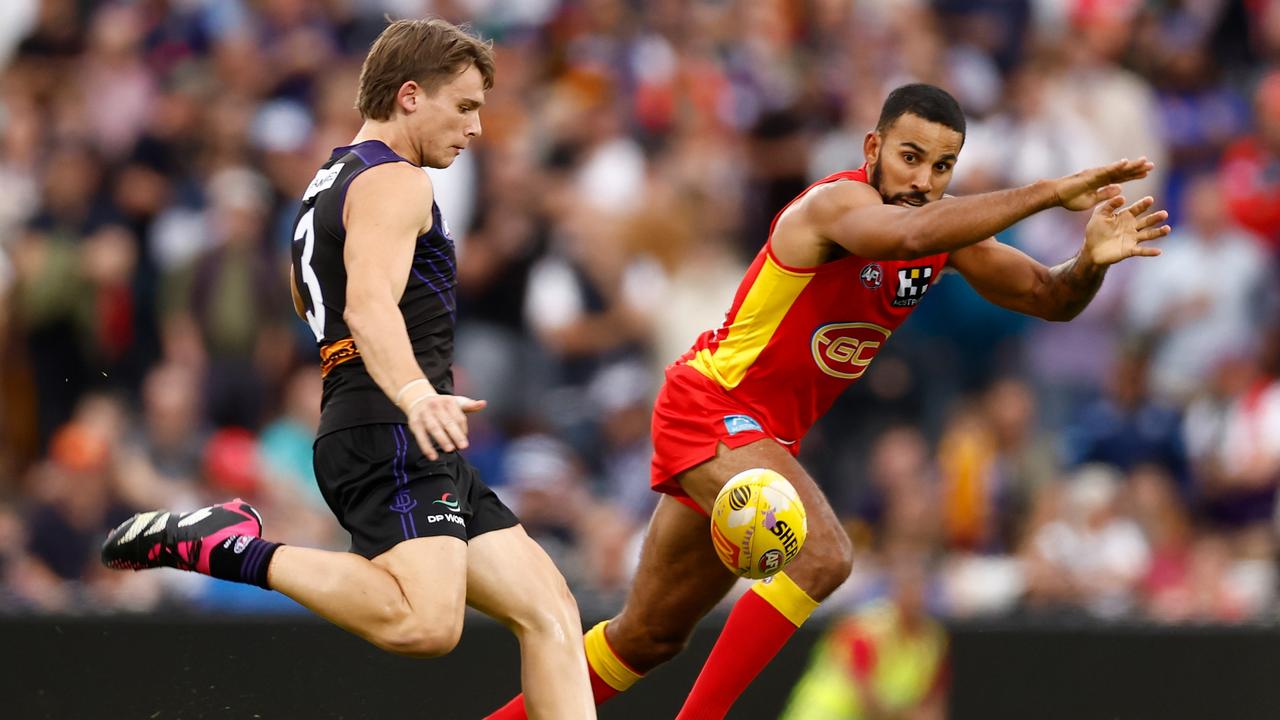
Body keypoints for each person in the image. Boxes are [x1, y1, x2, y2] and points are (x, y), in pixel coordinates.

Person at [488, 83, 1170, 719]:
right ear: (872, 150)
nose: (923, 180)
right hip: (712, 402)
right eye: (909, 157)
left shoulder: (944, 233)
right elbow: (904, 237)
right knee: (822, 555)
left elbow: (1049, 299)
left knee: (647, 638)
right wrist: (1051, 192)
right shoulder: (835, 206)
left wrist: (1088, 264)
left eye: (942, 167)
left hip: (761, 435)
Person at [100, 19, 595, 719]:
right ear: (411, 96)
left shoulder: (333, 176)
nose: (478, 127)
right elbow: (367, 307)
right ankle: (229, 548)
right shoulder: (396, 182)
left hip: (397, 423)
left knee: (551, 612)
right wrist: (417, 393)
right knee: (425, 624)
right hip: (390, 422)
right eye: (465, 106)